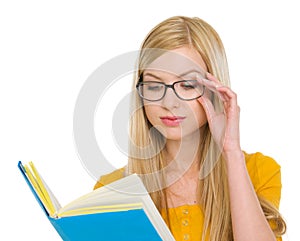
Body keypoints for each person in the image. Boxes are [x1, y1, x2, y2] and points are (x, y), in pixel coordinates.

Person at [94, 16, 286, 241]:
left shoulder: (258, 172)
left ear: (216, 89)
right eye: (155, 86)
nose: (169, 102)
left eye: (187, 85)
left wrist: (231, 152)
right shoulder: (112, 189)